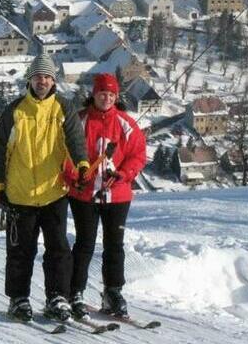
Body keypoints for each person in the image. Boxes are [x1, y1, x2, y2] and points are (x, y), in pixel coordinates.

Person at [0, 53, 87, 323]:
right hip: (19, 195)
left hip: (54, 193)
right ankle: (18, 299)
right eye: (37, 77)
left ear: (53, 81)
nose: (42, 81)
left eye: (46, 77)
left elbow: (76, 141)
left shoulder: (63, 109)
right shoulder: (14, 112)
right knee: (21, 252)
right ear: (29, 81)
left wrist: (82, 166)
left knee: (58, 250)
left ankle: (57, 297)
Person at [62, 73, 147, 319]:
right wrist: (74, 176)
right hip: (84, 194)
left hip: (117, 196)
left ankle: (113, 292)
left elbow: (138, 155)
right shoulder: (79, 120)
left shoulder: (126, 123)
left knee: (114, 246)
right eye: (102, 93)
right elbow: (64, 153)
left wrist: (122, 174)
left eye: (111, 94)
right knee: (84, 244)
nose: (106, 98)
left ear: (116, 96)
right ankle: (74, 291)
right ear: (94, 94)